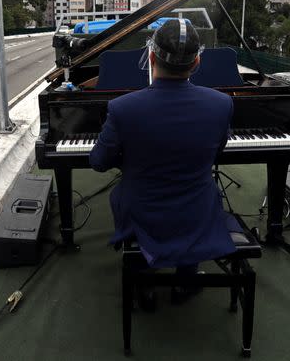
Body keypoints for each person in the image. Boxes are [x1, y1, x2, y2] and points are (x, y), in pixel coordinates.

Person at [89, 19, 236, 309]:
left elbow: (98, 162)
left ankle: (144, 283)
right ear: (196, 63)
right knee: (197, 198)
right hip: (198, 209)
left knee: (131, 200)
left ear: (152, 57)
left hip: (142, 210)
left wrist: (131, 158)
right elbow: (216, 152)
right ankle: (185, 281)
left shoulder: (122, 108)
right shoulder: (222, 104)